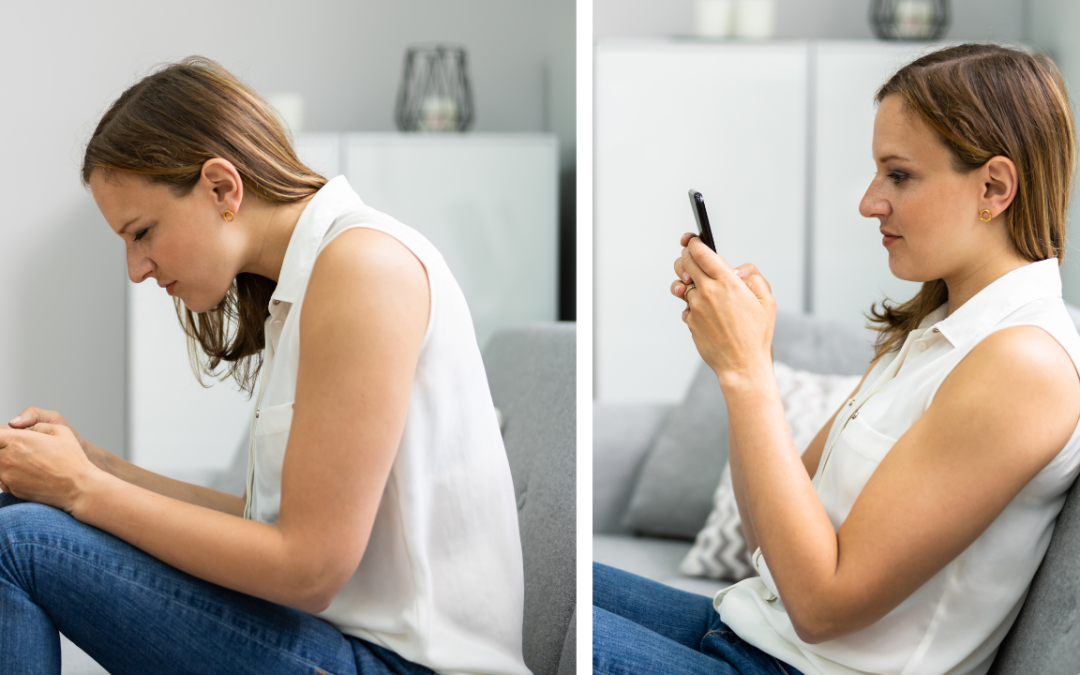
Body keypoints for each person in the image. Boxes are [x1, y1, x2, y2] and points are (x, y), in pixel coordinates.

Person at [0, 57, 531, 675]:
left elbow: (307, 568)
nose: (135, 269)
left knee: (18, 543)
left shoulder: (363, 268)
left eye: (141, 232)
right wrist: (98, 466)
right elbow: (267, 527)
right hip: (345, 646)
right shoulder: (301, 287)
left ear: (222, 188)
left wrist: (81, 489)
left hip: (400, 665)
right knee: (17, 517)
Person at [594, 43, 1080, 675]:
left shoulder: (1022, 365)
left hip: (792, 665)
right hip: (750, 633)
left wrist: (747, 376)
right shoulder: (935, 329)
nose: (870, 201)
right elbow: (766, 538)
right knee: (555, 580)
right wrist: (750, 362)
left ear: (993, 186)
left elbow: (822, 605)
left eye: (899, 175)